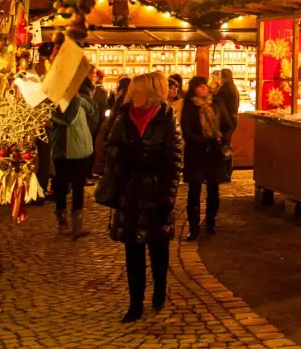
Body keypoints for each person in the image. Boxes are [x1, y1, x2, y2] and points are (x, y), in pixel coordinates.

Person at [105, 71, 181, 321]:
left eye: (137, 90)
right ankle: (135, 302)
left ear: (150, 94)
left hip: (156, 192)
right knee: (132, 250)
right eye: (132, 91)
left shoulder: (167, 118)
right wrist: (119, 157)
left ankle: (159, 291)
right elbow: (111, 144)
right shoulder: (124, 115)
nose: (132, 94)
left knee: (158, 249)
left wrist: (167, 197)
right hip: (129, 191)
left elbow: (174, 162)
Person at [181, 75, 232, 240]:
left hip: (214, 153)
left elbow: (227, 125)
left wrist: (224, 140)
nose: (204, 89)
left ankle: (211, 221)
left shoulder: (216, 103)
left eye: (205, 86)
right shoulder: (189, 106)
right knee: (194, 191)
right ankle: (193, 228)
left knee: (213, 190)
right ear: (193, 89)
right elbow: (187, 132)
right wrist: (204, 140)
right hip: (196, 153)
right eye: (200, 86)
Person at [52, 78, 100, 238]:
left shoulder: (81, 99)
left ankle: (77, 224)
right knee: (62, 185)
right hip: (64, 149)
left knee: (79, 185)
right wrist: (77, 98)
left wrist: (86, 134)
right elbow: (69, 118)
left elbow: (94, 115)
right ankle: (62, 221)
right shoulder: (55, 102)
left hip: (81, 148)